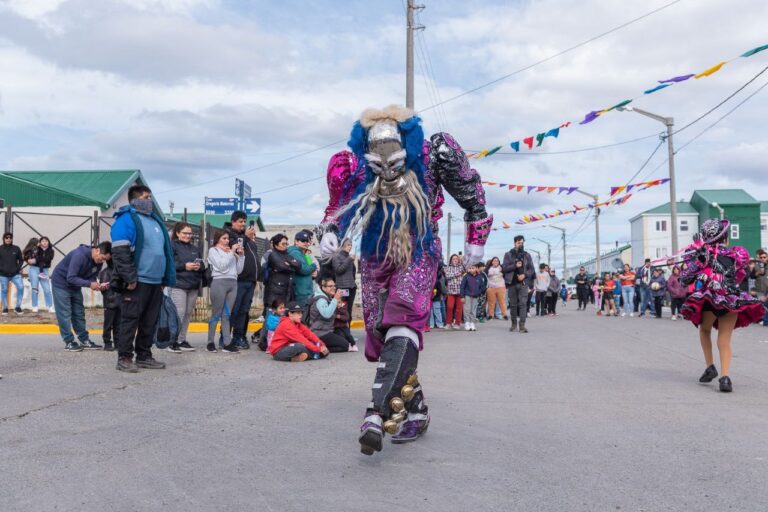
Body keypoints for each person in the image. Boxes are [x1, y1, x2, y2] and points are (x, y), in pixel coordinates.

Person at [319, 106, 492, 454]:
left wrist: (476, 235)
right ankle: (415, 410)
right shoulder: (351, 165)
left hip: (419, 246)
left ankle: (375, 414)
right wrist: (330, 229)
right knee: (382, 333)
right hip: (373, 253)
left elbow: (471, 195)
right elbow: (338, 206)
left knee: (404, 318)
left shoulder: (433, 154)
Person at [680, 219, 765, 392]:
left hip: (709, 298)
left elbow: (685, 279)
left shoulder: (700, 254)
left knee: (705, 330)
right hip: (731, 299)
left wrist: (695, 257)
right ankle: (725, 378)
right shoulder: (736, 255)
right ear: (725, 238)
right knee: (725, 339)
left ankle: (710, 366)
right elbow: (738, 277)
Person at [111, 185, 176, 373]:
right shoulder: (126, 219)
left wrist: (164, 279)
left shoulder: (155, 222)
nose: (150, 201)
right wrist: (130, 277)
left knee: (149, 322)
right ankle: (124, 358)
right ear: (135, 199)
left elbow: (164, 252)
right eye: (146, 197)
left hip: (155, 282)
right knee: (130, 320)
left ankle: (144, 355)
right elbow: (120, 253)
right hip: (137, 281)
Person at [51, 242, 112, 351]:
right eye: (102, 258)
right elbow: (71, 277)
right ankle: (69, 341)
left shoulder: (98, 262)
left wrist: (97, 285)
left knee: (79, 312)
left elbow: (92, 277)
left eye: (105, 260)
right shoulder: (79, 255)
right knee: (65, 313)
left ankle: (84, 339)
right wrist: (89, 284)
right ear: (97, 250)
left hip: (75, 286)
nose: (102, 261)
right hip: (61, 283)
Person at [223, 211, 261, 349]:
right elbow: (237, 250)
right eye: (240, 221)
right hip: (237, 280)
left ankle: (239, 336)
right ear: (233, 221)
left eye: (245, 221)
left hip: (250, 280)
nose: (243, 224)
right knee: (234, 309)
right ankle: (226, 337)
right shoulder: (229, 235)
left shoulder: (248, 238)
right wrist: (245, 237)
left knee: (244, 310)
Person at [206, 230, 245, 353]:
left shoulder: (230, 252)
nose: (227, 241)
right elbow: (221, 266)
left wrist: (242, 256)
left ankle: (227, 343)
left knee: (227, 315)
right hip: (219, 283)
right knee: (216, 313)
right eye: (224, 238)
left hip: (233, 283)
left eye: (228, 238)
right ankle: (210, 342)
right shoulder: (213, 251)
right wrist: (231, 252)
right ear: (217, 239)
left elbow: (238, 270)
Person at [168, 222, 204, 353]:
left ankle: (182, 340)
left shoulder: (195, 248)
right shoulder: (172, 246)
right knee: (179, 313)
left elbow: (202, 263)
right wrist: (185, 266)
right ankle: (172, 341)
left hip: (193, 285)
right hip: (178, 284)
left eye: (189, 233)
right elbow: (170, 264)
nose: (188, 235)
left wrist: (199, 266)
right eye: (185, 233)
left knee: (187, 314)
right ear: (177, 233)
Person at [308, 277, 350, 352]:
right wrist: (335, 300)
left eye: (334, 286)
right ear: (323, 288)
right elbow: (327, 314)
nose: (333, 288)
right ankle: (319, 349)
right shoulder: (321, 300)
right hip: (319, 332)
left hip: (327, 329)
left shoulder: (327, 297)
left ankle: (320, 345)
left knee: (345, 338)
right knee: (345, 345)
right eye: (330, 286)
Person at [502, 235, 535, 333]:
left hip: (523, 283)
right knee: (513, 305)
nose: (521, 244)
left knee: (523, 304)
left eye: (522, 242)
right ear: (514, 243)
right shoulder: (508, 254)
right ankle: (513, 324)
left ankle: (522, 325)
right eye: (519, 243)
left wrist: (524, 275)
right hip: (511, 282)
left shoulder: (527, 255)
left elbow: (532, 269)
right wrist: (515, 266)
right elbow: (504, 268)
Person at [263, 234, 302, 309]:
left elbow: (299, 265)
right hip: (276, 290)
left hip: (287, 291)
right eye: (283, 244)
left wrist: (289, 265)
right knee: (273, 316)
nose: (285, 246)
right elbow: (282, 266)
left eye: (286, 244)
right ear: (276, 245)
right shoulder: (273, 255)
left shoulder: (287, 255)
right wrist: (291, 266)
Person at [23, 236, 55, 313]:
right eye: (42, 241)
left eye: (46, 241)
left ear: (48, 242)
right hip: (34, 269)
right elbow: (29, 258)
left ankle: (50, 306)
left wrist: (36, 260)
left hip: (44, 270)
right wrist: (34, 260)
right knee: (35, 289)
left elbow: (47, 259)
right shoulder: (36, 249)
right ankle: (35, 306)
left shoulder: (51, 251)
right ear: (40, 243)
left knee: (47, 289)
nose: (44, 242)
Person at [287, 230, 317, 307]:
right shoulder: (295, 253)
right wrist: (314, 266)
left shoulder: (302, 253)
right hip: (301, 291)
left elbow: (309, 269)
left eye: (307, 241)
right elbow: (304, 270)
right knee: (303, 315)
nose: (306, 243)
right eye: (303, 241)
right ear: (296, 241)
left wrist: (312, 269)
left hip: (304, 290)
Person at [332, 238, 357, 320]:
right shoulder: (336, 256)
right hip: (342, 288)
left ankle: (348, 330)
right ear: (343, 246)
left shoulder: (348, 257)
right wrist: (349, 260)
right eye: (348, 245)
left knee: (349, 311)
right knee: (342, 310)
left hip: (352, 287)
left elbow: (352, 272)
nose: (350, 247)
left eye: (351, 245)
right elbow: (338, 270)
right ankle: (343, 331)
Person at [98, 258, 120, 351]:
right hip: (109, 303)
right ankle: (107, 342)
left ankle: (117, 342)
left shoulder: (119, 272)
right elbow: (103, 289)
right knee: (108, 324)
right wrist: (111, 298)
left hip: (118, 302)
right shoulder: (105, 272)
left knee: (118, 324)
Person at [0, 232, 24, 315]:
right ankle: (5, 308)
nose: (8, 239)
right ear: (3, 239)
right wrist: (2, 269)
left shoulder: (16, 248)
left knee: (21, 287)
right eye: (6, 237)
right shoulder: (0, 248)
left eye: (10, 237)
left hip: (15, 274)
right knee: (4, 290)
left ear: (12, 239)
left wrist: (17, 268)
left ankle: (17, 307)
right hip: (3, 275)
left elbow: (21, 260)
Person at [460, 263, 485, 331]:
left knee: (473, 310)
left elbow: (482, 287)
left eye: (473, 268)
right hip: (467, 295)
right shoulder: (466, 276)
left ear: (476, 269)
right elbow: (462, 286)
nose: (471, 269)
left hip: (475, 296)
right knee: (467, 309)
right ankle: (467, 323)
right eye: (470, 268)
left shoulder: (479, 277)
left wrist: (478, 293)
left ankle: (472, 323)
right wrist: (462, 296)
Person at [444, 254, 465, 329]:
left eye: (456, 259)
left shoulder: (461, 267)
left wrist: (462, 259)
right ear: (451, 260)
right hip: (451, 291)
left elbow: (466, 268)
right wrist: (458, 274)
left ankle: (457, 323)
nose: (455, 260)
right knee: (450, 307)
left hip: (460, 291)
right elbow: (447, 276)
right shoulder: (447, 267)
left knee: (459, 308)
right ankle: (448, 323)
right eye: (453, 259)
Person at [429, 265, 447, 329]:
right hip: (429, 299)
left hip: (436, 298)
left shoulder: (437, 282)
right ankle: (431, 324)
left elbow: (440, 290)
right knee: (430, 312)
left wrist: (435, 295)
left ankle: (439, 323)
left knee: (437, 311)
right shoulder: (428, 282)